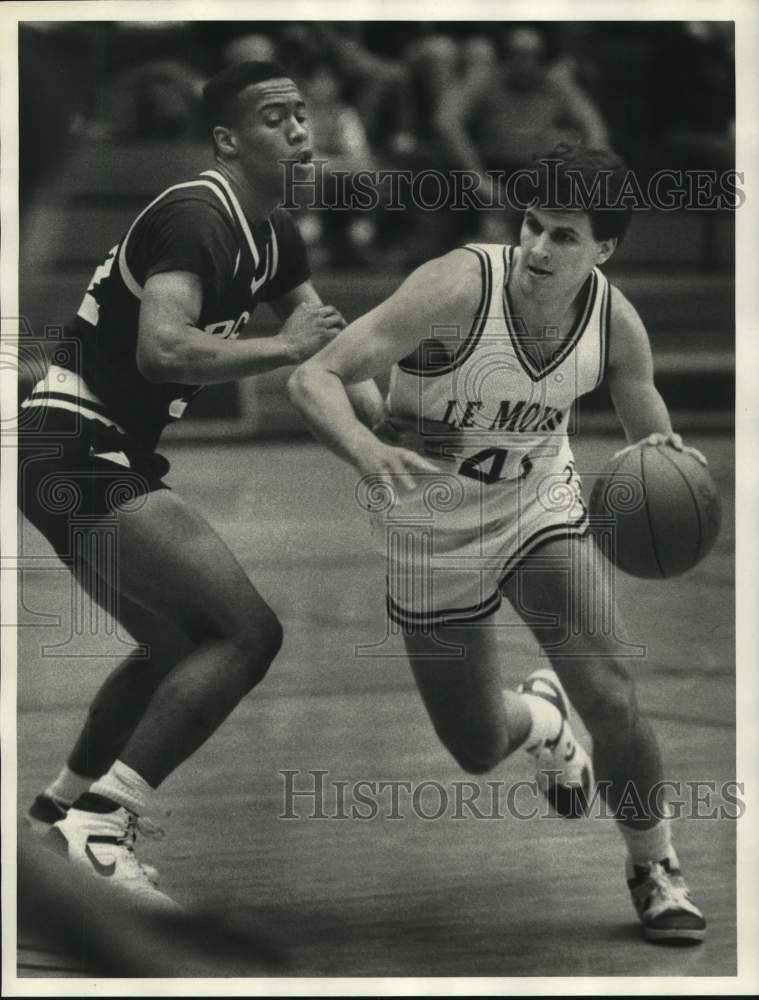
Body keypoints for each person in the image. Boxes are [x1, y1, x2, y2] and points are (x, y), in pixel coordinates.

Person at [288, 144, 708, 943]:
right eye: (532, 226)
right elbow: (315, 376)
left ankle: (654, 865)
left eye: (562, 237)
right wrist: (367, 450)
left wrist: (668, 470)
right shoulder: (455, 284)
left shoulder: (611, 318)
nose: (537, 250)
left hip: (534, 507)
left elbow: (646, 426)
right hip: (426, 525)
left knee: (613, 694)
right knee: (476, 745)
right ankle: (541, 721)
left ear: (603, 251)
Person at [19, 60, 383, 906]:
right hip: (75, 444)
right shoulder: (195, 213)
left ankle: (58, 813)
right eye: (273, 118)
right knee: (246, 634)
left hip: (82, 452)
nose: (299, 128)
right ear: (227, 139)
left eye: (302, 113)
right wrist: (283, 350)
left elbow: (333, 352)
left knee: (177, 649)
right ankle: (102, 828)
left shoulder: (273, 232)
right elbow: (165, 349)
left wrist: (407, 419)